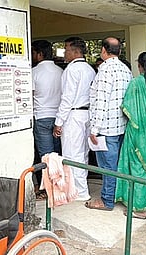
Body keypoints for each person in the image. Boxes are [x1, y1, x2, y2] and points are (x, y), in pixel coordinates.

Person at [85, 37, 132, 211]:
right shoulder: (125, 69)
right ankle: (116, 195)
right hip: (121, 126)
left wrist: (94, 129)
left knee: (107, 167)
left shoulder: (105, 70)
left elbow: (101, 101)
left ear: (104, 50)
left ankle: (107, 200)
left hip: (106, 128)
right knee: (116, 165)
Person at [115, 52, 146, 219]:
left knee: (138, 167)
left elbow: (126, 106)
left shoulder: (135, 83)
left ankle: (139, 208)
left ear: (139, 65)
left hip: (138, 130)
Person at [53, 37, 95, 201]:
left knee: (72, 154)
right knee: (83, 153)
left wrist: (59, 121)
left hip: (74, 114)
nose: (65, 53)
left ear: (75, 51)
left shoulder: (71, 70)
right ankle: (80, 188)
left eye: (66, 49)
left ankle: (79, 192)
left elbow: (67, 98)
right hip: (87, 114)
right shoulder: (89, 69)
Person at [31, 39, 62, 200]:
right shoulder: (61, 71)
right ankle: (58, 187)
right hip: (58, 118)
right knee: (56, 155)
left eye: (34, 52)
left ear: (40, 54)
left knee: (46, 157)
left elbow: (29, 96)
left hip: (41, 117)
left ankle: (49, 191)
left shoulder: (34, 72)